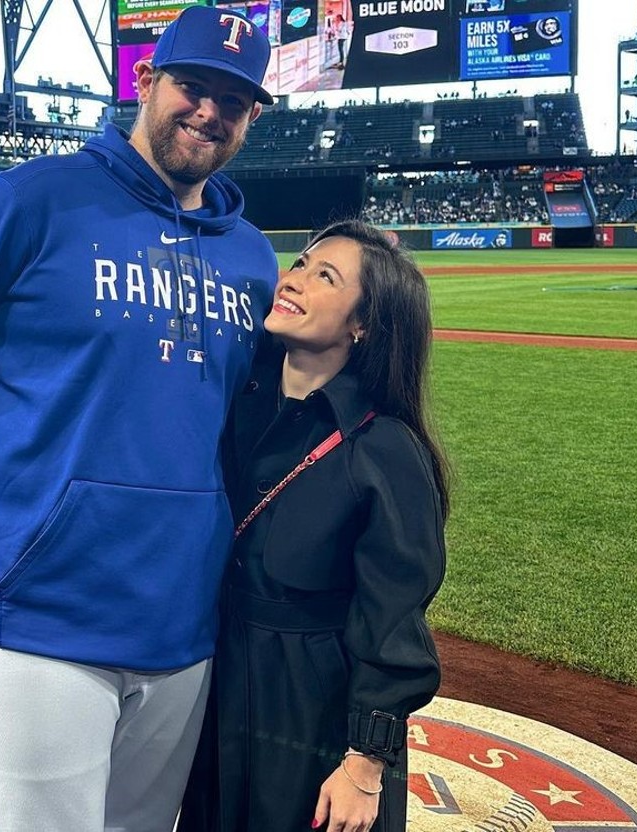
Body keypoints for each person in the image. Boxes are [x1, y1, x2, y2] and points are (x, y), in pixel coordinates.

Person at [0, 6, 275, 832]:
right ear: (147, 82)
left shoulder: (251, 256)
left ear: (252, 117)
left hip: (182, 613)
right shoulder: (30, 202)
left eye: (233, 100)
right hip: (36, 605)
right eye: (193, 86)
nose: (209, 111)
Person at [178, 220, 449, 832]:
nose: (294, 280)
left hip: (312, 710)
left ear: (364, 324)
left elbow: (393, 618)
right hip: (217, 685)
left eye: (325, 276)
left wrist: (364, 764)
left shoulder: (386, 450)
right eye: (300, 264)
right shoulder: (233, 407)